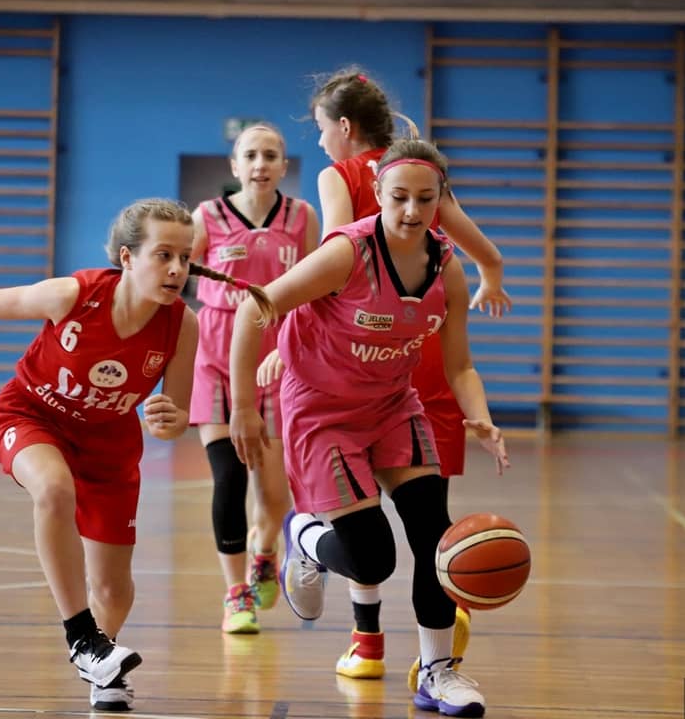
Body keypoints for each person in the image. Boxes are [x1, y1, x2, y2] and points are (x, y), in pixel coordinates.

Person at [0, 198, 276, 713]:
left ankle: (102, 667)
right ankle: (82, 637)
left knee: (115, 590)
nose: (176, 269)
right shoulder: (75, 295)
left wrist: (168, 421)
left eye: (184, 257)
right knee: (54, 489)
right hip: (32, 416)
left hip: (110, 447)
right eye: (163, 255)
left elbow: (171, 420)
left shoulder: (182, 325)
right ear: (127, 258)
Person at [229, 140, 511, 718]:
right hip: (322, 411)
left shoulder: (446, 267)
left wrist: (480, 415)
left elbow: (460, 365)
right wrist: (242, 407)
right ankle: (305, 539)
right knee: (373, 560)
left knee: (434, 535)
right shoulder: (346, 254)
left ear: (441, 201)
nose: (412, 210)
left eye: (426, 199)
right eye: (399, 196)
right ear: (378, 192)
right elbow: (254, 308)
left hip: (392, 406)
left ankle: (437, 672)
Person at [309, 67, 513, 687]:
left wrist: (293, 342)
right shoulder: (423, 177)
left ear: (344, 127)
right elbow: (487, 252)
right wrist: (491, 281)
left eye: (321, 128)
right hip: (423, 362)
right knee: (427, 531)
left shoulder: (346, 176)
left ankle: (372, 643)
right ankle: (428, 646)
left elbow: (327, 261)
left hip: (361, 357)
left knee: (365, 518)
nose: (321, 141)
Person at [189, 123, 319, 634]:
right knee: (229, 477)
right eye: (250, 155)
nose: (260, 164)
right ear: (235, 165)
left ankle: (265, 549)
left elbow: (316, 289)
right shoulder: (207, 217)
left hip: (276, 362)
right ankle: (235, 592)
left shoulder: (302, 217)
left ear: (284, 166)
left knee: (274, 489)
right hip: (217, 360)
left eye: (270, 155)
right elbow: (176, 273)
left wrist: (292, 350)